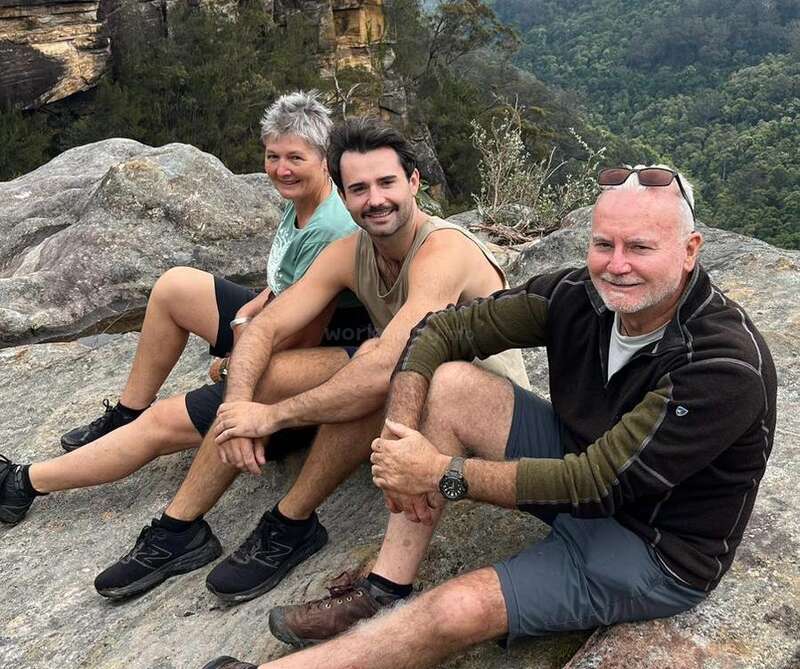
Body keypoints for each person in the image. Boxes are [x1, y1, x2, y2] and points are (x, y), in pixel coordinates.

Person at [201, 165, 777, 669]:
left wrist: (440, 473)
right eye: (604, 244)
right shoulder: (580, 296)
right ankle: (384, 587)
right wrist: (400, 442)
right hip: (577, 458)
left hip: (651, 543)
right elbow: (441, 329)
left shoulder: (722, 366)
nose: (616, 265)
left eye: (640, 248)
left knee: (456, 608)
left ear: (690, 250)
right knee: (448, 383)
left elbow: (598, 483)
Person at [86, 117, 530, 603]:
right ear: (342, 194)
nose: (375, 199)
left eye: (387, 183)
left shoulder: (443, 250)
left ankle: (291, 520)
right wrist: (237, 410)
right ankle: (179, 528)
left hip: (479, 417)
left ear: (414, 182)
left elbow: (389, 366)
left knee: (377, 364)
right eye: (358, 189)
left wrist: (272, 417)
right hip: (409, 398)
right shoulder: (350, 253)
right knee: (276, 370)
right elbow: (266, 328)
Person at [0, 90, 371, 529]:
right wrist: (243, 317)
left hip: (307, 360)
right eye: (273, 156)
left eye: (295, 158)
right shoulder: (304, 204)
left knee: (162, 423)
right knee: (175, 286)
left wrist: (234, 364)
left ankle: (22, 483)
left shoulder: (330, 228)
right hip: (279, 328)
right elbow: (281, 287)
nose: (281, 168)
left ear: (325, 160)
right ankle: (127, 412)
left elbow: (299, 336)